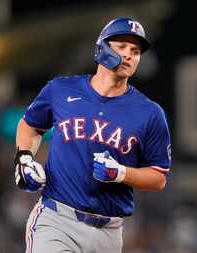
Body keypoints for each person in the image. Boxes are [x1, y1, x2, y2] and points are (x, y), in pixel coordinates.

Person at [14, 17, 172, 253]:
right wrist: (24, 157)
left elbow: (158, 177)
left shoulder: (149, 113)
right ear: (102, 48)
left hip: (109, 233)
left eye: (136, 51)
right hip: (57, 220)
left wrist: (121, 173)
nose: (129, 55)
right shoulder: (61, 89)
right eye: (121, 47)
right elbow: (30, 126)